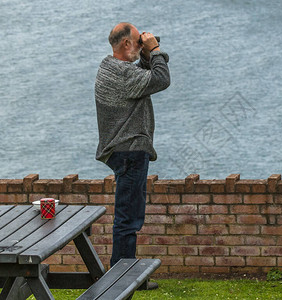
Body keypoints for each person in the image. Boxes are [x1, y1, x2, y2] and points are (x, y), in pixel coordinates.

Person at [94, 22, 170, 279]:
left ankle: (122, 273)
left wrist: (148, 54)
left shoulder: (110, 67)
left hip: (123, 150)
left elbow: (142, 77)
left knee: (129, 214)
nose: (140, 44)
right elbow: (161, 79)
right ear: (126, 43)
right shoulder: (124, 75)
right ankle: (121, 278)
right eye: (137, 41)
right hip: (130, 151)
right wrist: (156, 50)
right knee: (129, 217)